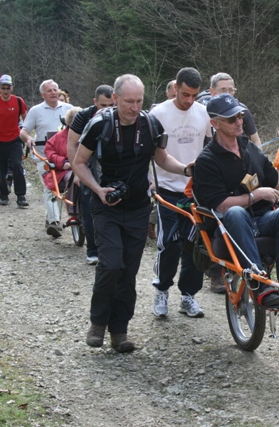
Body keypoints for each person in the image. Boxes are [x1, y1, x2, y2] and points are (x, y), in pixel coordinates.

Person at [72, 74, 191, 353]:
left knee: (128, 270)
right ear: (115, 99)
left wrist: (186, 169)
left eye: (138, 101)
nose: (134, 107)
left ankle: (120, 331)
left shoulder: (150, 124)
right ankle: (98, 322)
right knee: (111, 264)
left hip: (138, 207)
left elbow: (161, 158)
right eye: (128, 101)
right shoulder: (99, 125)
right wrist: (98, 189)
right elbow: (79, 162)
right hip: (106, 206)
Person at [193, 93, 279, 308]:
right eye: (232, 119)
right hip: (229, 225)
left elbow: (276, 182)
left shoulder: (249, 148)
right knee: (234, 211)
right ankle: (258, 283)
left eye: (241, 115)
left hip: (262, 219)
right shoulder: (206, 161)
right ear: (215, 123)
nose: (239, 121)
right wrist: (256, 195)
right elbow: (221, 205)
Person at [150, 68, 212, 318]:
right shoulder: (159, 114)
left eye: (194, 95)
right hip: (167, 187)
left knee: (196, 244)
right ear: (175, 87)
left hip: (195, 190)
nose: (189, 100)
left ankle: (188, 296)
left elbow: (209, 145)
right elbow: (153, 153)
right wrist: (152, 181)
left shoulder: (203, 113)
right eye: (185, 94)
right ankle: (162, 289)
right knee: (170, 244)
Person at [67, 85, 115, 265]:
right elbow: (72, 145)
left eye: (112, 104)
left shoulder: (121, 114)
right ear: (95, 102)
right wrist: (77, 172)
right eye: (103, 105)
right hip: (87, 160)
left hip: (110, 163)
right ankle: (92, 249)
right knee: (88, 205)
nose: (108, 109)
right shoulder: (84, 116)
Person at [20, 79, 73, 237]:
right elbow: (24, 131)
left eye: (55, 90)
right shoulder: (36, 111)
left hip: (65, 156)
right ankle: (54, 222)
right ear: (42, 94)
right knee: (50, 186)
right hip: (43, 156)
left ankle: (51, 217)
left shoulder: (69, 109)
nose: (53, 93)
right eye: (49, 90)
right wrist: (28, 139)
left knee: (62, 188)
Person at [0, 74, 28, 207]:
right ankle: (4, 194)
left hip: (15, 138)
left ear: (12, 88)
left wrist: (26, 132)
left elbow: (26, 118)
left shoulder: (19, 101)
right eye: (3, 88)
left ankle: (21, 196)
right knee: (1, 169)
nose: (6, 91)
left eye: (8, 88)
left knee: (17, 165)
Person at [43, 107, 82, 197]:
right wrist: (62, 162)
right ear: (69, 123)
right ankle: (73, 208)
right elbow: (49, 151)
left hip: (87, 168)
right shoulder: (59, 136)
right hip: (66, 170)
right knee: (73, 177)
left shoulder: (89, 134)